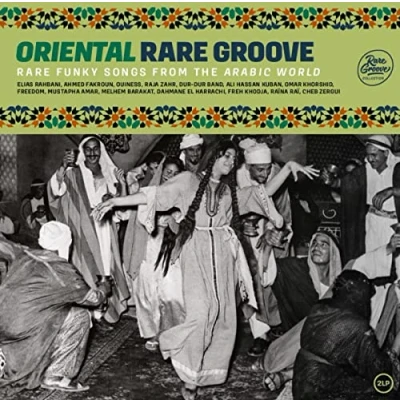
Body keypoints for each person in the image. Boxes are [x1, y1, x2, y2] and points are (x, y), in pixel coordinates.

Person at [93, 139, 318, 399]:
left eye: (233, 159)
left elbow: (262, 194)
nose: (230, 162)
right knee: (200, 314)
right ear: (213, 156)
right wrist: (116, 202)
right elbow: (154, 195)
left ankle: (205, 371)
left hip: (224, 256)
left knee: (222, 316)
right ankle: (185, 368)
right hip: (195, 253)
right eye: (226, 156)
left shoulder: (229, 192)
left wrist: (288, 168)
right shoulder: (188, 181)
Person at [261, 233, 400, 392]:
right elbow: (268, 273)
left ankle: (287, 375)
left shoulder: (343, 279)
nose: (316, 247)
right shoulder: (295, 269)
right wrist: (268, 246)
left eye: (323, 244)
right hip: (297, 340)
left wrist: (389, 248)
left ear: (333, 252)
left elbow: (364, 264)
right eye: (314, 243)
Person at [0, 221, 112, 396]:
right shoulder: (63, 272)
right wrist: (104, 288)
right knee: (80, 316)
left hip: (3, 321)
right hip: (21, 328)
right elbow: (94, 299)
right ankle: (57, 375)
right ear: (66, 245)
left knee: (55, 309)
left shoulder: (24, 253)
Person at [47, 135, 130, 324]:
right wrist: (63, 167)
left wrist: (122, 185)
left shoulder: (109, 173)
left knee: (107, 268)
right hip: (83, 231)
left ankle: (105, 312)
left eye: (96, 148)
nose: (92, 152)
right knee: (86, 269)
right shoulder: (74, 172)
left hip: (105, 230)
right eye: (88, 149)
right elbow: (57, 191)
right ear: (83, 151)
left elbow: (122, 208)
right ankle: (89, 315)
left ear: (101, 150)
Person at [293, 270, 400, 400]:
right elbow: (379, 370)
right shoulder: (357, 325)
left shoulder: (319, 307)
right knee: (386, 388)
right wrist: (394, 350)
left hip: (301, 382)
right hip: (319, 391)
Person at [236, 138, 293, 356]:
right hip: (239, 239)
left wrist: (274, 232)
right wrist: (240, 226)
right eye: (260, 170)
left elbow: (285, 217)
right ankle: (259, 334)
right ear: (248, 167)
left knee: (268, 282)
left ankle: (274, 324)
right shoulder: (234, 178)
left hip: (267, 238)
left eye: (268, 169)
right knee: (247, 284)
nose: (266, 174)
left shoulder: (276, 179)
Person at [124, 156, 185, 352]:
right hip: (148, 247)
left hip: (171, 250)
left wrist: (172, 222)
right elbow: (135, 219)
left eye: (176, 174)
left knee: (170, 292)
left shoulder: (183, 195)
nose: (171, 177)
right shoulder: (148, 193)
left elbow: (185, 225)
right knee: (146, 290)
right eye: (168, 172)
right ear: (161, 172)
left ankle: (169, 332)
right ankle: (151, 332)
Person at [323, 135, 400, 263]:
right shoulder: (364, 171)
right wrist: (332, 182)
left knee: (394, 263)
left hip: (394, 225)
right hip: (372, 223)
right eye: (368, 155)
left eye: (374, 155)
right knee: (372, 261)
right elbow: (346, 184)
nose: (370, 159)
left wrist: (392, 191)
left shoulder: (397, 168)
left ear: (386, 153)